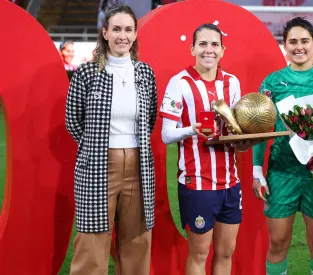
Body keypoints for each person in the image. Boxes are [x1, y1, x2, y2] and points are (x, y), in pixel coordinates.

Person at [252, 17, 313, 275]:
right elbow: (261, 129)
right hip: (281, 174)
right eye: (292, 41)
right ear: (285, 46)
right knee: (278, 242)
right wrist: (256, 172)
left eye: (305, 41)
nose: (299, 46)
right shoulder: (273, 82)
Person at [65, 5, 157, 275]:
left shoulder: (145, 74)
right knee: (93, 240)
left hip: (139, 165)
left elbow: (149, 120)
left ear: (135, 34)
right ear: (104, 33)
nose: (122, 35)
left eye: (128, 29)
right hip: (98, 165)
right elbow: (73, 121)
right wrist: (96, 147)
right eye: (116, 29)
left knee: (137, 239)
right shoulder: (86, 74)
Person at [159, 23, 254, 275]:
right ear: (192, 48)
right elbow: (166, 134)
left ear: (222, 50)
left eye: (214, 44)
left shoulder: (232, 83)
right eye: (202, 44)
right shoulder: (179, 82)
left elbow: (234, 130)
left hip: (230, 183)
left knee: (225, 252)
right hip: (197, 183)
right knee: (199, 253)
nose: (208, 50)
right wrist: (192, 129)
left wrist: (243, 140)